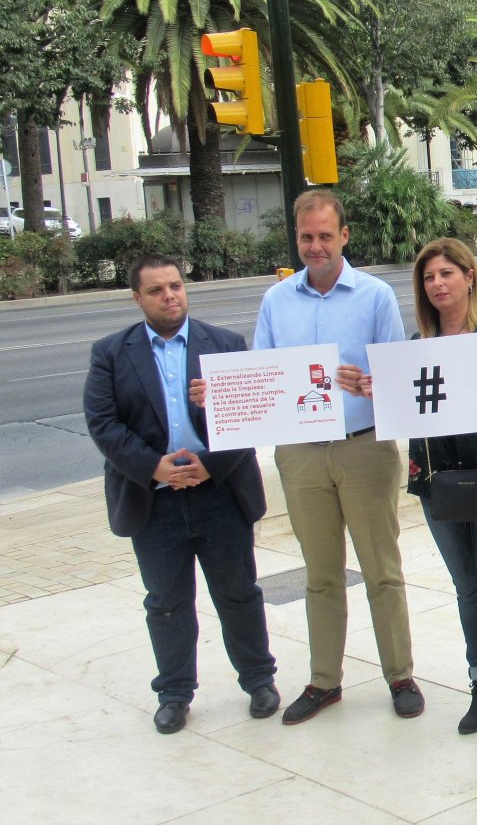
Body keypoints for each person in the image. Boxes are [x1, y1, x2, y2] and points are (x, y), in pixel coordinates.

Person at [84, 255, 278, 734]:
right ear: (137, 298)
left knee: (238, 593)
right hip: (153, 500)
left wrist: (207, 465)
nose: (170, 296)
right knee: (167, 601)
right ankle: (174, 692)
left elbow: (249, 417)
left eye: (175, 286)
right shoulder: (110, 353)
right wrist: (155, 468)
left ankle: (258, 680)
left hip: (220, 493)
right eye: (156, 290)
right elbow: (103, 424)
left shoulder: (224, 345)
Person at [249, 188, 420, 724]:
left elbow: (398, 379)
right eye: (306, 237)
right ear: (296, 239)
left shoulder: (374, 297)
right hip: (300, 456)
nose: (316, 246)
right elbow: (262, 376)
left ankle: (400, 675)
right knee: (320, 574)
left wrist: (370, 384)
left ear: (344, 235)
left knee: (381, 571)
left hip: (363, 448)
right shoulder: (276, 301)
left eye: (325, 235)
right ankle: (325, 681)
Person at [358, 238, 477, 737]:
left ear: (469, 276)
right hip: (438, 483)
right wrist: (378, 391)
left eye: (446, 274)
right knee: (467, 590)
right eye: (428, 277)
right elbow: (403, 411)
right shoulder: (416, 347)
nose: (437, 284)